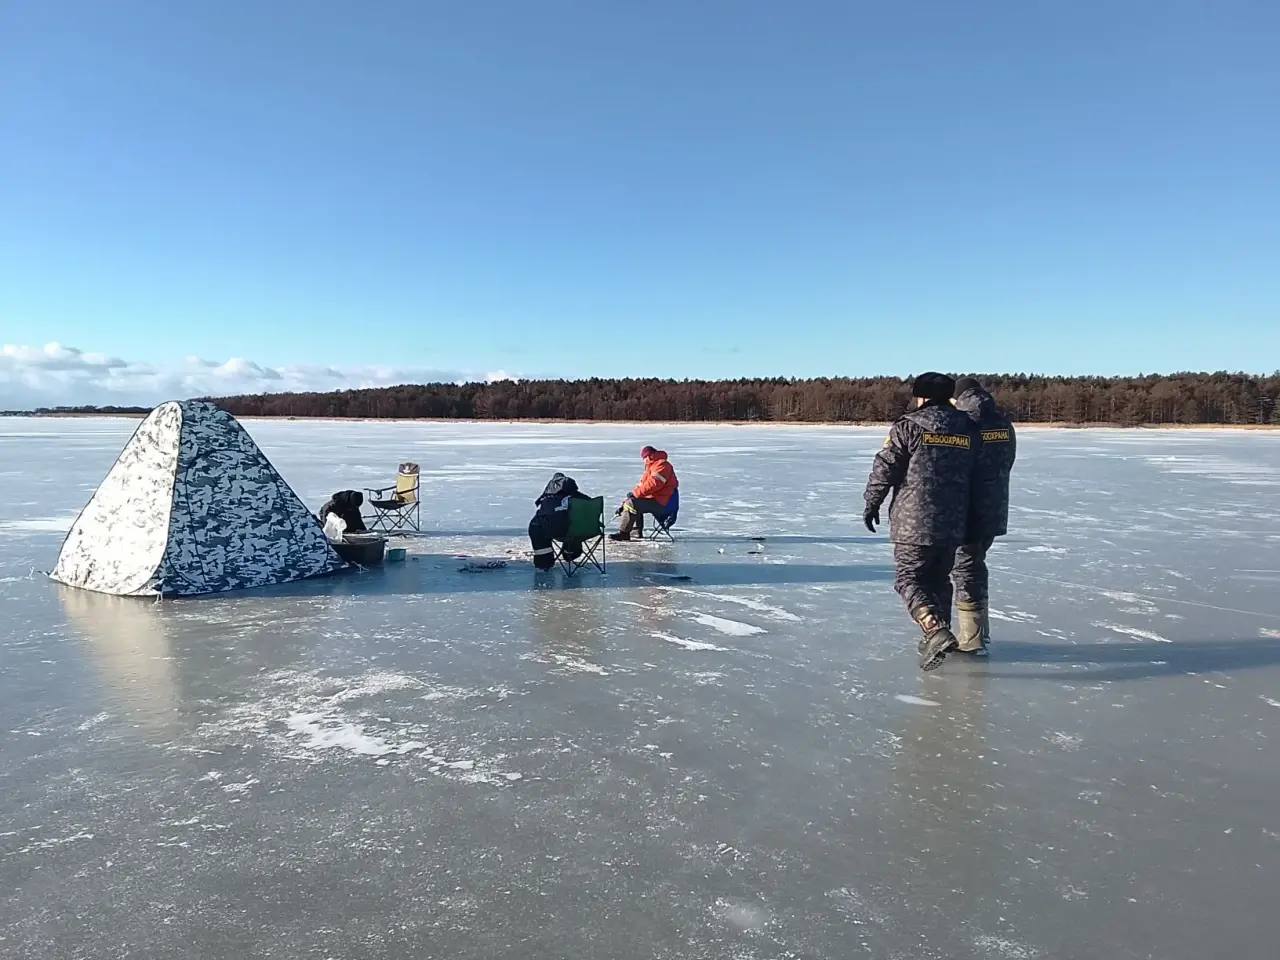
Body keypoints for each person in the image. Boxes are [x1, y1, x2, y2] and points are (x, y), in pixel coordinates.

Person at [863, 372, 978, 671]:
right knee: (939, 579)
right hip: (954, 521)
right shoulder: (968, 428)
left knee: (909, 579)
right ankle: (939, 635)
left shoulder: (908, 426)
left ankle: (934, 629)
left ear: (922, 396)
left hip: (913, 522)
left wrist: (872, 502)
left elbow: (885, 467)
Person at [950, 377, 1017, 654]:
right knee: (974, 563)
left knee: (965, 567)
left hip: (966, 507)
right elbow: (1007, 461)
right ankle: (978, 634)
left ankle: (972, 638)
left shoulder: (964, 424)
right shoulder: (1004, 423)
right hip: (994, 508)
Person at [610, 446, 678, 541]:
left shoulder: (662, 465)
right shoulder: (651, 467)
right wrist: (625, 502)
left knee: (632, 504)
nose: (644, 461)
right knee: (633, 502)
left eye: (644, 458)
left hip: (663, 503)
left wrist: (634, 496)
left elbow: (653, 484)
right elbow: (642, 486)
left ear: (650, 456)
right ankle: (636, 532)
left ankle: (624, 533)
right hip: (656, 499)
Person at [528, 472, 593, 570]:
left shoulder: (548, 500)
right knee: (573, 527)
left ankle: (544, 562)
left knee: (536, 526)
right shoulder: (584, 499)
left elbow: (541, 518)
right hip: (583, 532)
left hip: (557, 532)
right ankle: (570, 553)